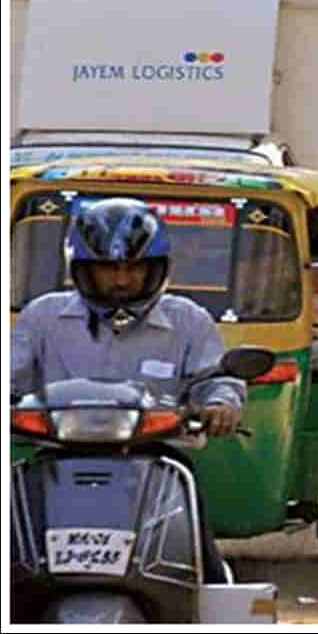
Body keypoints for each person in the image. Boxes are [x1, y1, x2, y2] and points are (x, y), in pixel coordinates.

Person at [10, 198, 244, 585]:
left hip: (155, 460)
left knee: (201, 552)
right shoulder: (43, 316)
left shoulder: (189, 320)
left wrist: (220, 403)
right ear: (82, 270)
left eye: (133, 268)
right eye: (107, 269)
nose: (121, 281)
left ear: (157, 269)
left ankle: (213, 602)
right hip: (55, 459)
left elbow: (214, 378)